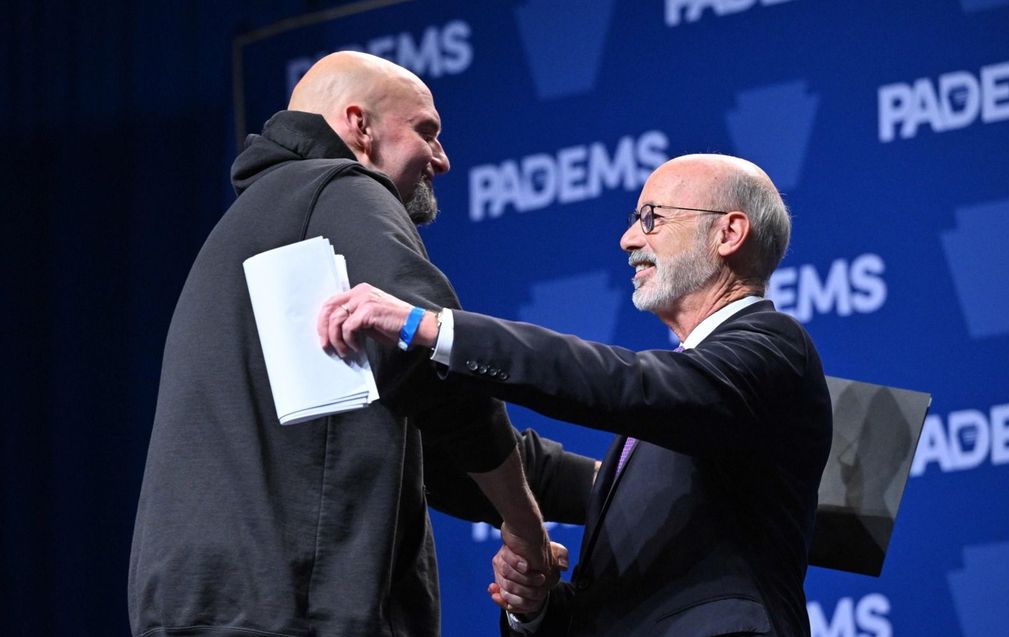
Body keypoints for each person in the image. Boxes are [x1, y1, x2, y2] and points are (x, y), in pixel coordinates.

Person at [128, 51, 593, 637]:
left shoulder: (275, 221)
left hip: (214, 607)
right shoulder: (339, 189)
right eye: (427, 131)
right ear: (359, 126)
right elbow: (437, 369)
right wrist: (524, 525)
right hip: (295, 611)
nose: (443, 160)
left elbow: (441, 446)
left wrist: (615, 488)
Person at [318, 153, 834, 636]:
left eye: (652, 218)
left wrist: (433, 327)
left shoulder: (772, 346)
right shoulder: (671, 417)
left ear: (729, 232)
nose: (629, 239)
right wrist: (535, 605)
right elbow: (612, 604)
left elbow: (627, 384)